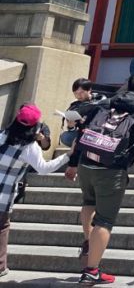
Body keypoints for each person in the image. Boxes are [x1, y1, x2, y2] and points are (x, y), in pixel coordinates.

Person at [67, 73, 134, 285]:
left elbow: (82, 130)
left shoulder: (105, 103)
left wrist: (73, 162)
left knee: (88, 203)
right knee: (104, 220)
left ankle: (88, 240)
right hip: (111, 170)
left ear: (127, 86)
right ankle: (92, 270)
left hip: (86, 162)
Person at [0, 104, 70, 279]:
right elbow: (44, 168)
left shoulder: (2, 135)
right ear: (35, 125)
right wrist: (68, 156)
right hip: (3, 196)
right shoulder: (30, 147)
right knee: (2, 227)